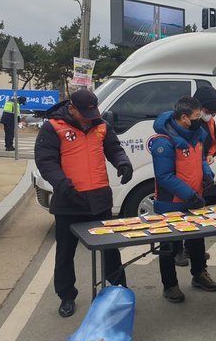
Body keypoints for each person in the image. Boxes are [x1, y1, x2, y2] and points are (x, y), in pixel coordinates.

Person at [34, 89, 133, 318]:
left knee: (110, 249)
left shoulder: (102, 125)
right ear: (71, 108)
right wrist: (61, 183)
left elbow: (114, 149)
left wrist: (123, 163)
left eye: (93, 111)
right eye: (85, 113)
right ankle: (67, 296)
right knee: (65, 253)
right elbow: (45, 160)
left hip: (99, 200)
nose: (90, 117)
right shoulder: (53, 127)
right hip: (69, 200)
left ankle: (118, 289)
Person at [150, 96, 216, 303]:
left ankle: (199, 274)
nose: (201, 119)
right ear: (183, 118)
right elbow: (164, 177)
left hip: (194, 199)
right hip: (171, 202)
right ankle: (169, 285)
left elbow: (200, 159)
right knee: (169, 247)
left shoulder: (196, 134)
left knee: (197, 242)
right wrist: (190, 194)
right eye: (197, 116)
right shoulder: (164, 141)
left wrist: (207, 175)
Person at [166, 86, 216, 268]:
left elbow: (211, 143)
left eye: (211, 113)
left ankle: (194, 258)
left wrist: (208, 162)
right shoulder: (169, 136)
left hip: (197, 182)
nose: (208, 116)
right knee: (174, 225)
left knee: (197, 225)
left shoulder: (204, 125)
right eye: (205, 112)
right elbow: (165, 175)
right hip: (178, 189)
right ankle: (179, 251)